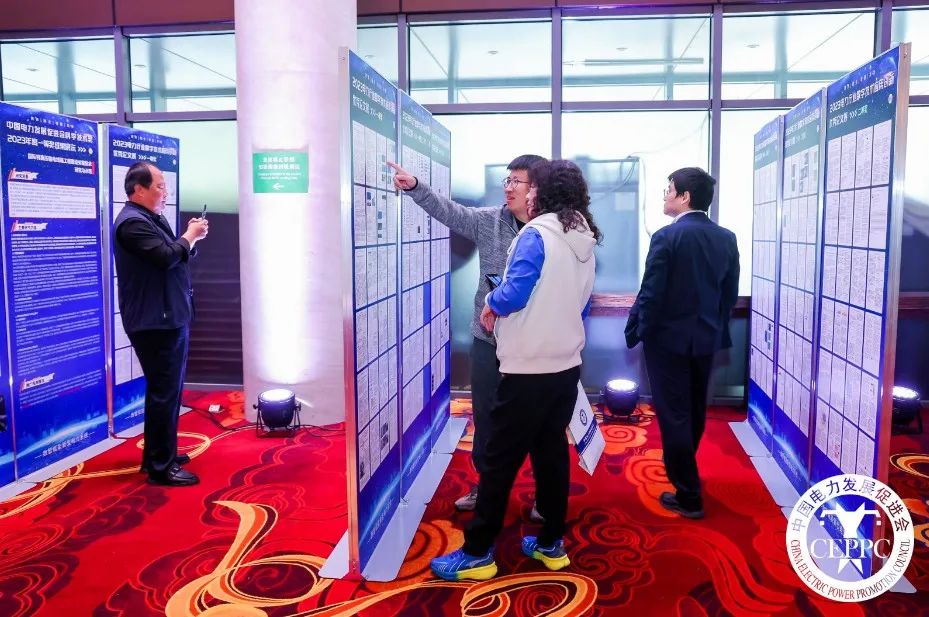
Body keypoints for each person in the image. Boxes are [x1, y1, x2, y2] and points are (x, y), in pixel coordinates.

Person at [430, 160, 599, 581]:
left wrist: (491, 303)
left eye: (528, 185)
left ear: (543, 192)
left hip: (527, 367)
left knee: (499, 460)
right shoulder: (581, 232)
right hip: (565, 363)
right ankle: (551, 543)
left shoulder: (536, 233)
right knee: (551, 454)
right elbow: (579, 300)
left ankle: (477, 553)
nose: (520, 191)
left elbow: (514, 292)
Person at [389, 154, 547, 519]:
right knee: (486, 417)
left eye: (517, 181)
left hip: (534, 345)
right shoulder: (490, 220)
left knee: (539, 423)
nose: (508, 187)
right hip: (488, 340)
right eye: (507, 180)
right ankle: (487, 487)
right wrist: (416, 187)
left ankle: (545, 494)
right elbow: (450, 212)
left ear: (536, 189)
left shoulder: (552, 230)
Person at [626, 167, 739, 519]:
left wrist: (639, 330)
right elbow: (729, 294)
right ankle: (685, 469)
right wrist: (715, 326)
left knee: (673, 414)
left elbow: (651, 292)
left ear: (685, 197)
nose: (665, 196)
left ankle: (689, 494)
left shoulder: (666, 237)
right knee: (693, 410)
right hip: (706, 339)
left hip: (667, 341)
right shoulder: (726, 237)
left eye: (669, 190)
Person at [113, 161, 208, 487]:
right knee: (164, 391)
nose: (165, 192)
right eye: (159, 186)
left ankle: (160, 453)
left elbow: (174, 253)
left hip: (168, 316)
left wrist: (190, 239)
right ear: (138, 189)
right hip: (155, 320)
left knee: (168, 390)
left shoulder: (151, 218)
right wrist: (188, 236)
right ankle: (160, 466)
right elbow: (166, 258)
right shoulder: (132, 224)